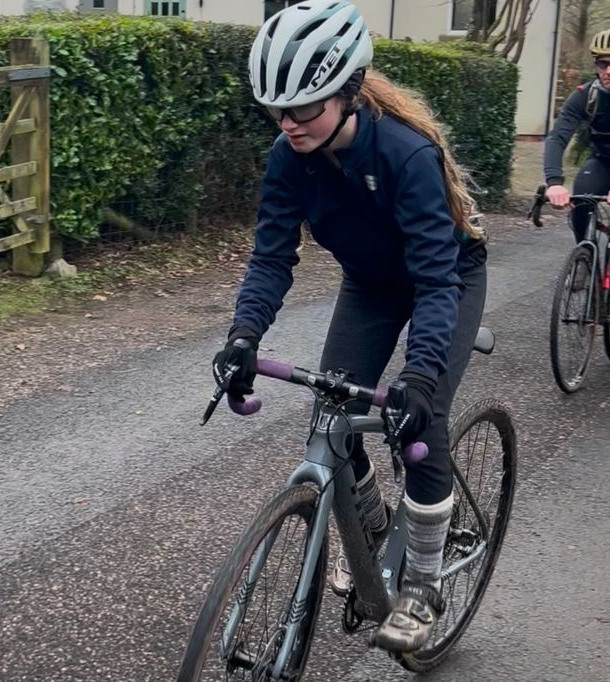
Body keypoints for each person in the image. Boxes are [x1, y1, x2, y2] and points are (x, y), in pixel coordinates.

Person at [211, 0, 487, 653]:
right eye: (275, 109)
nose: (288, 123)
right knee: (331, 415)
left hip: (444, 275)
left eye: (303, 107)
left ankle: (420, 586)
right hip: (369, 283)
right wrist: (242, 336)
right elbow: (270, 258)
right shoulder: (288, 157)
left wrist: (419, 375)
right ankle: (370, 528)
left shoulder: (404, 154)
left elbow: (435, 278)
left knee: (425, 412)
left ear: (346, 92)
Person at [544, 29, 610, 243]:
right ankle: (585, 256)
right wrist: (554, 182)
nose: (609, 71)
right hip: (602, 161)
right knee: (582, 202)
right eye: (603, 64)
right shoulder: (586, 96)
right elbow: (557, 138)